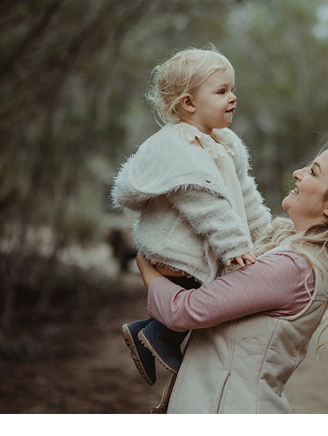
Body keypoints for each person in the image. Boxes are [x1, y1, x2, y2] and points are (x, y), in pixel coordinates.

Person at [136, 133, 328, 413]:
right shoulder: (295, 253)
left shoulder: (294, 267)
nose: (298, 173)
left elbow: (185, 310)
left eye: (313, 172)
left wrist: (145, 265)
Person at [111, 46, 271, 387]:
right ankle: (160, 336)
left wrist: (267, 235)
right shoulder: (178, 147)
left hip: (201, 242)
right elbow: (204, 205)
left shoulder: (225, 142)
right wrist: (235, 245)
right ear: (188, 103)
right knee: (205, 294)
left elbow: (245, 196)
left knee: (209, 293)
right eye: (222, 91)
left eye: (232, 89)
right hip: (172, 248)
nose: (233, 98)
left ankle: (152, 332)